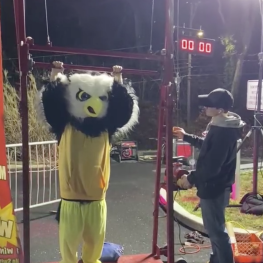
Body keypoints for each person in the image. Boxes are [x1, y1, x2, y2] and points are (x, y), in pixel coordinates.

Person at [38, 61, 139, 263]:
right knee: (68, 244)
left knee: (94, 244)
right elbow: (52, 104)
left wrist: (118, 82)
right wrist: (56, 75)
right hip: (71, 196)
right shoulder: (65, 125)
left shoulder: (105, 128)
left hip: (95, 196)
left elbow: (121, 111)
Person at [173, 88, 245, 263]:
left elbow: (212, 167)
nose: (205, 107)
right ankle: (217, 259)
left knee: (216, 231)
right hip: (216, 186)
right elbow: (208, 146)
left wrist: (190, 179)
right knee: (215, 229)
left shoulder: (223, 132)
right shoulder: (221, 125)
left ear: (220, 109)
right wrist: (186, 136)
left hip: (214, 188)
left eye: (209, 104)